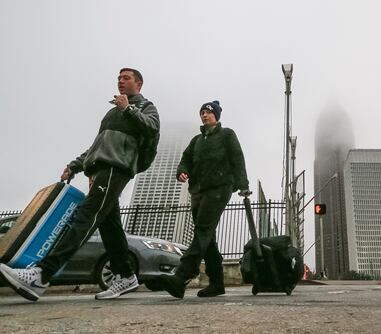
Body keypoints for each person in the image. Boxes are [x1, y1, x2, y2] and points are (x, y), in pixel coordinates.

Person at [0, 68, 160, 301]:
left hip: (117, 167)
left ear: (139, 84)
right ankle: (126, 275)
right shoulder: (111, 113)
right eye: (118, 78)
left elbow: (152, 127)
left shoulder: (146, 107)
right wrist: (75, 165)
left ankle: (42, 275)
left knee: (85, 216)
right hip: (101, 168)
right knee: (109, 226)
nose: (120, 81)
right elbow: (97, 146)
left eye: (126, 78)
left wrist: (129, 109)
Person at [160, 100, 249, 298]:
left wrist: (243, 185)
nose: (204, 115)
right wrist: (182, 171)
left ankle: (181, 275)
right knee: (208, 239)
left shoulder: (227, 134)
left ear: (217, 116)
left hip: (219, 189)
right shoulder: (197, 141)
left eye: (208, 112)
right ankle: (217, 283)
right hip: (198, 192)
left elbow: (237, 157)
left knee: (202, 230)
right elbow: (186, 158)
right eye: (202, 112)